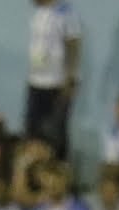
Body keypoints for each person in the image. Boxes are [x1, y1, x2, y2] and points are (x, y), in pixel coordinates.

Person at [24, 0, 82, 160]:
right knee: (33, 131)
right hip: (36, 81)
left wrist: (70, 77)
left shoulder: (66, 12)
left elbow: (73, 44)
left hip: (56, 83)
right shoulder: (38, 13)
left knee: (56, 133)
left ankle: (59, 170)